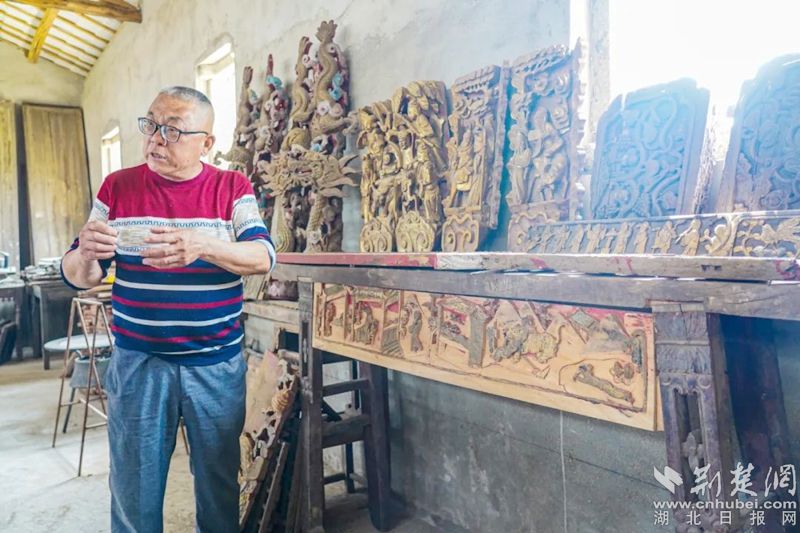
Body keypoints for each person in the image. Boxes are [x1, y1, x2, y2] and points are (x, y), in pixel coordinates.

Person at [61, 86, 276, 533]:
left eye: (173, 130)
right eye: (152, 124)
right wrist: (85, 254)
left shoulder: (231, 188)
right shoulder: (118, 187)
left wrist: (204, 246)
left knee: (218, 484)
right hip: (139, 363)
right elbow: (81, 274)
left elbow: (262, 256)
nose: (156, 139)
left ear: (206, 143)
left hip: (215, 364)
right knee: (134, 488)